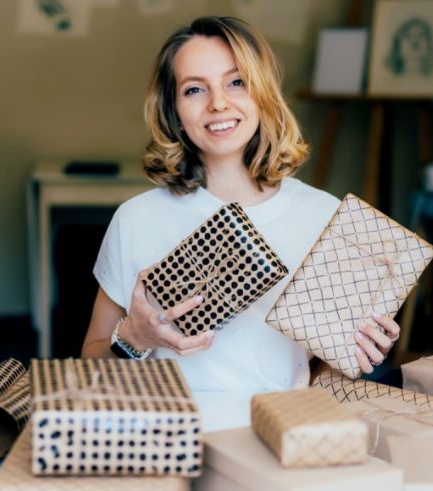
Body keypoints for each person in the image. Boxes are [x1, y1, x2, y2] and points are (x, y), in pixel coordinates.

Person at [81, 16, 399, 393]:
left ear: (262, 94)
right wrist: (133, 336)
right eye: (194, 90)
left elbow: (315, 378)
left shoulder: (325, 217)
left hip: (275, 437)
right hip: (169, 440)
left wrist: (351, 352)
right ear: (175, 112)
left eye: (236, 82)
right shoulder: (136, 218)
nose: (218, 103)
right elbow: (90, 369)